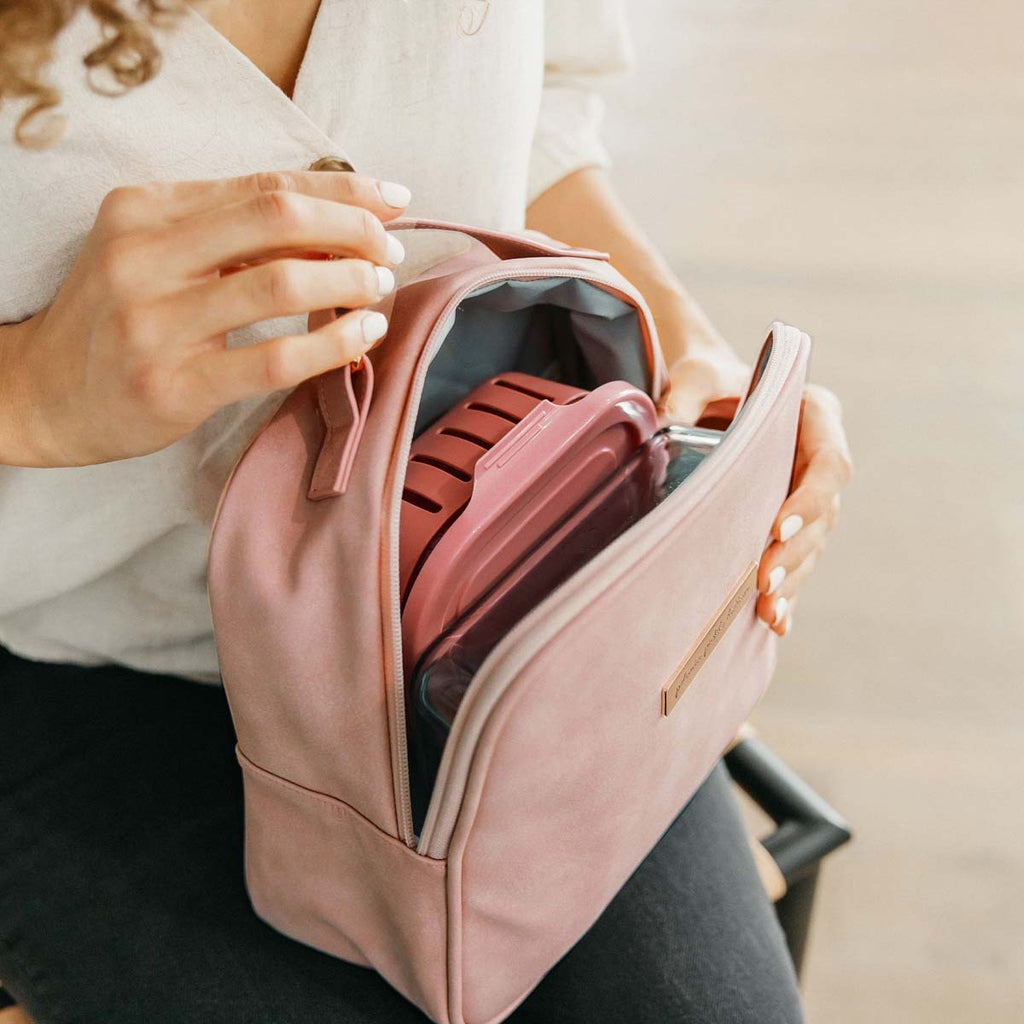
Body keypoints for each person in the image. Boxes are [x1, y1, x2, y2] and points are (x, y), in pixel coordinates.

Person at [0, 1, 852, 1021]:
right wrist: (27, 395)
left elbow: (540, 108)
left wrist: (691, 358)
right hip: (68, 652)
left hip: (507, 603)